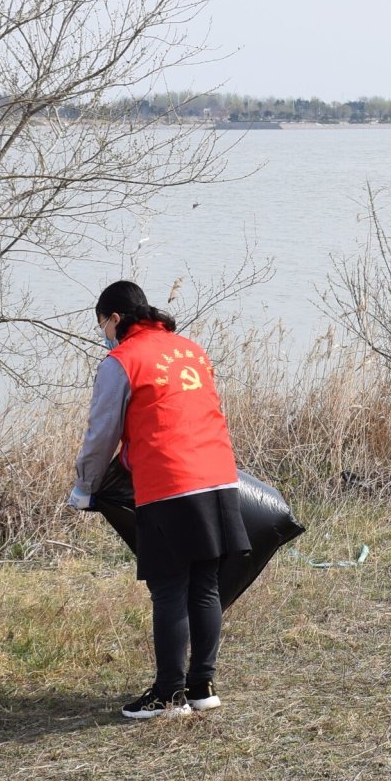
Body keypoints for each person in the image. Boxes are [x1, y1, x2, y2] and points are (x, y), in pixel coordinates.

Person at [69, 280, 249, 719]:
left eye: (102, 325)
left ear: (114, 318)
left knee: (169, 588)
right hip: (219, 476)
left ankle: (168, 695)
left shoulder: (121, 360)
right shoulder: (191, 350)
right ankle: (201, 687)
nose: (104, 334)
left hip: (170, 481)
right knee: (205, 584)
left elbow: (101, 433)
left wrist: (85, 488)